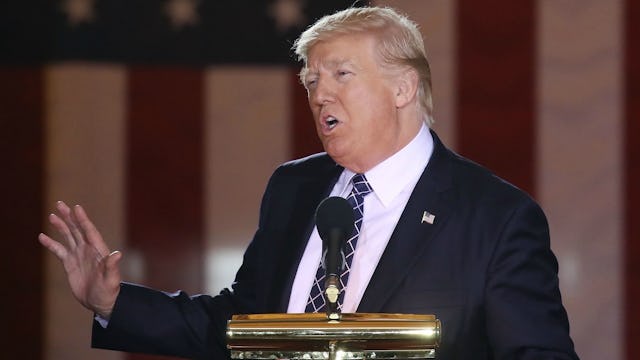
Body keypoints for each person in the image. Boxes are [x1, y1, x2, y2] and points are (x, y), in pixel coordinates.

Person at [39, 6, 579, 360]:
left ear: (403, 88)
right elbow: (240, 325)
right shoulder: (294, 188)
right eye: (311, 80)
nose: (320, 95)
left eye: (342, 74)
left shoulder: (495, 217)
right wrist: (113, 303)